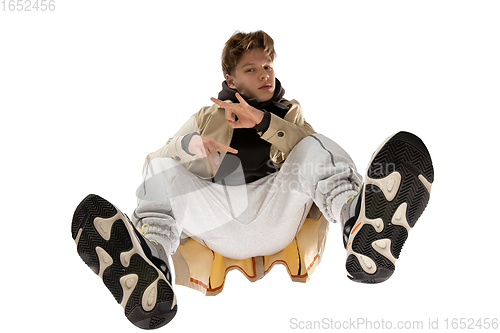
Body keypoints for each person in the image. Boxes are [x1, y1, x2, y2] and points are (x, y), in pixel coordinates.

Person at [71, 30, 434, 330]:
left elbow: (309, 153)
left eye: (267, 65)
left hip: (276, 213)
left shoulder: (290, 114)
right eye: (251, 69)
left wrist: (263, 123)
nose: (264, 74)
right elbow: (153, 163)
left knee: (315, 146)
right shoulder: (207, 116)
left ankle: (359, 225)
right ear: (230, 79)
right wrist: (191, 146)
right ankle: (152, 258)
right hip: (221, 216)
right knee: (161, 172)